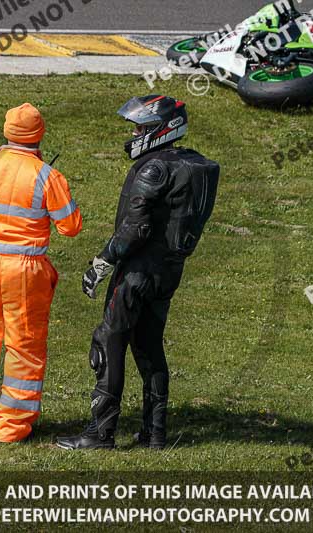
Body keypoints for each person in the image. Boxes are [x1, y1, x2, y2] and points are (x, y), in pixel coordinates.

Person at [56, 95, 220, 450]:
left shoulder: (153, 169)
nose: (136, 134)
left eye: (142, 128)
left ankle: (100, 434)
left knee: (108, 340)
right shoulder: (197, 166)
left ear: (163, 129)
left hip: (136, 271)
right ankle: (154, 434)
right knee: (148, 346)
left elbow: (135, 229)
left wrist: (101, 263)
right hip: (168, 271)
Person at [0, 103, 82, 443]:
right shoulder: (47, 177)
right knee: (24, 346)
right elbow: (70, 227)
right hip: (24, 269)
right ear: (39, 136)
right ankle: (12, 427)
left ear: (7, 132)